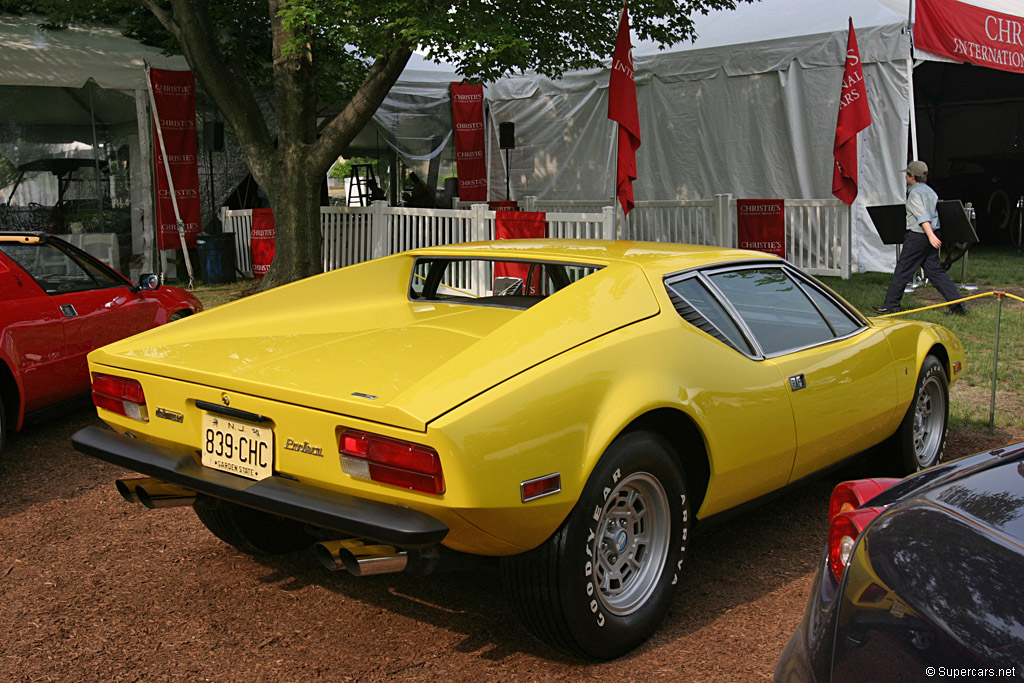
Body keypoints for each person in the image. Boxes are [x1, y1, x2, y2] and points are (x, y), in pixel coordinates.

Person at [873, 160, 965, 316]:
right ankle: (956, 304)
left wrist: (929, 235)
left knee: (903, 270)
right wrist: (933, 236)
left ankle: (891, 305)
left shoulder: (914, 193)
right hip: (932, 234)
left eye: (907, 175)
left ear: (911, 176)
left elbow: (922, 216)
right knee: (934, 271)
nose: (906, 178)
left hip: (918, 235)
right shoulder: (930, 192)